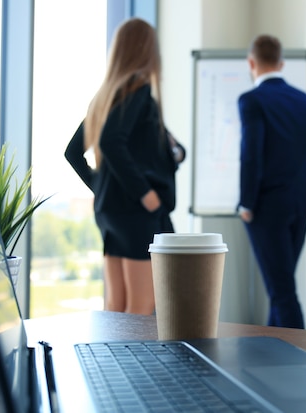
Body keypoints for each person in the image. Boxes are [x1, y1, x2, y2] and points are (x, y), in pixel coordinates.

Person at [65, 18, 185, 315]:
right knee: (142, 308)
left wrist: (102, 188)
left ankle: (110, 361)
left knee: (117, 307)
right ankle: (129, 364)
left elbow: (73, 153)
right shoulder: (139, 92)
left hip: (111, 212)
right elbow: (110, 142)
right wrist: (144, 193)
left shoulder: (106, 97)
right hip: (135, 213)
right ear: (147, 51)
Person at [237, 34, 306, 329]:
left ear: (251, 62)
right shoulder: (305, 101)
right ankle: (273, 358)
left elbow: (251, 155)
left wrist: (246, 201)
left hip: (266, 207)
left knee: (282, 292)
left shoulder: (251, 100)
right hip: (300, 205)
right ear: (281, 63)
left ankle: (297, 363)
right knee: (280, 286)